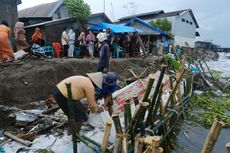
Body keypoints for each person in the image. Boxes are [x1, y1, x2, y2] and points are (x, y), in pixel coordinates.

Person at [51, 73, 116, 134]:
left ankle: (70, 130)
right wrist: (97, 109)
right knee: (80, 116)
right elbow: (92, 105)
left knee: (71, 113)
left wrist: (87, 106)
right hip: (63, 95)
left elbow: (82, 97)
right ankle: (76, 136)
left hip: (57, 91)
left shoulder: (86, 80)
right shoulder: (90, 86)